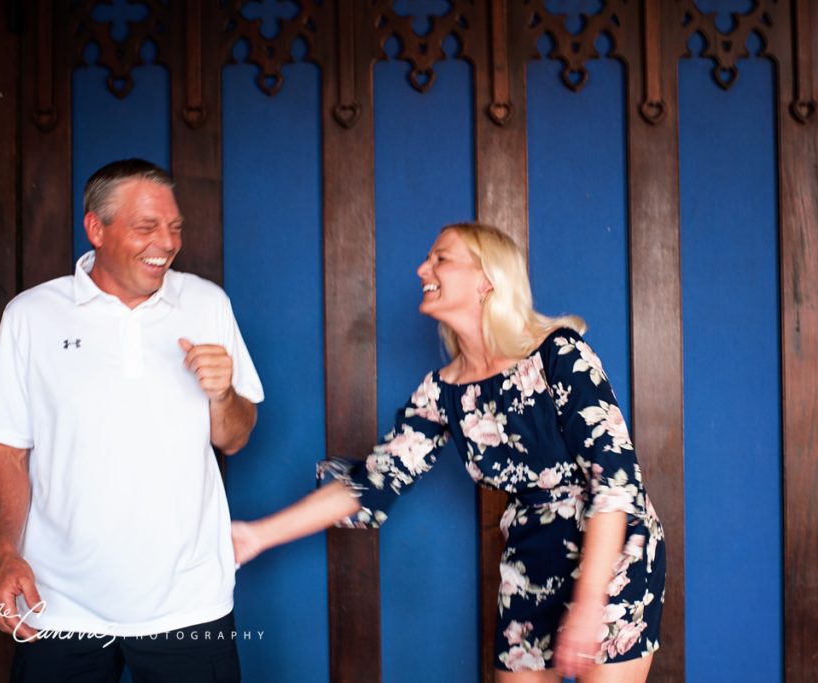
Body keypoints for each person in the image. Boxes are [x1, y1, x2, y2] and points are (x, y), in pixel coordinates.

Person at [232, 222, 664, 682]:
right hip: (532, 557)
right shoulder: (441, 392)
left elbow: (616, 482)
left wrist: (590, 599)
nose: (422, 268)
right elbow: (376, 483)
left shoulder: (560, 354)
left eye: (440, 258)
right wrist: (258, 535)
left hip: (613, 552)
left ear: (487, 279)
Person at [0, 159, 264, 682]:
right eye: (147, 227)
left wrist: (223, 395)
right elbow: (5, 452)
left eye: (174, 227)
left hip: (188, 602)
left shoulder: (207, 303)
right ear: (96, 228)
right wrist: (3, 553)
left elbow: (235, 438)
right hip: (56, 605)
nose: (167, 242)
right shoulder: (30, 316)